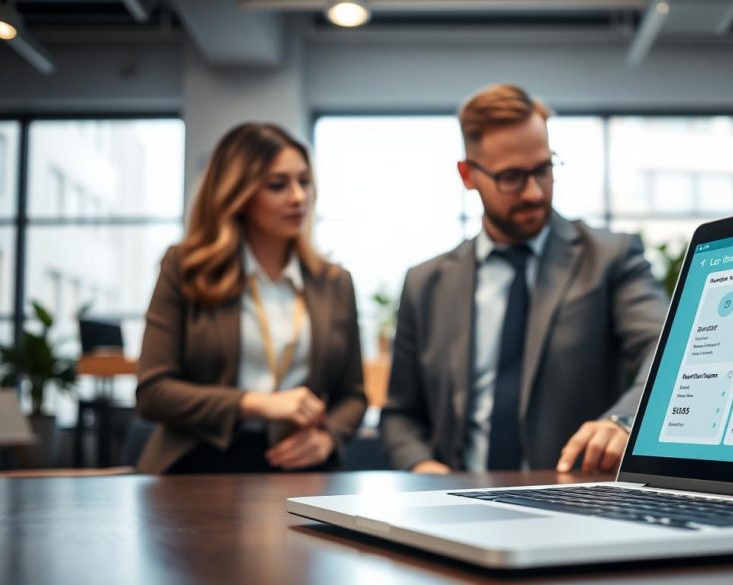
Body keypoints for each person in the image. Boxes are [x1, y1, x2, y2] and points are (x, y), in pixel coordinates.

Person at [381, 84, 668, 475]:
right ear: (468, 175)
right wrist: (421, 466)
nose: (534, 192)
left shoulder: (608, 259)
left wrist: (622, 421)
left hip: (571, 498)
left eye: (543, 169)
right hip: (454, 497)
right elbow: (401, 414)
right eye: (512, 177)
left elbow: (664, 350)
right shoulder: (426, 283)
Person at [135, 123, 366, 474]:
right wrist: (255, 404)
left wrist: (328, 437)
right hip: (199, 463)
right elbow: (153, 392)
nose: (298, 197)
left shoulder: (334, 282)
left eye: (304, 181)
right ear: (237, 194)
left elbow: (353, 395)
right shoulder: (185, 268)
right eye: (277, 185)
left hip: (300, 466)